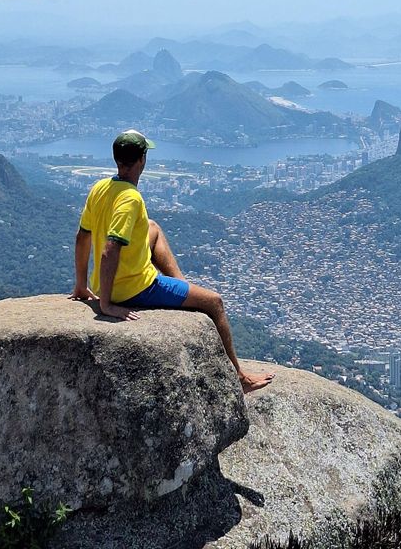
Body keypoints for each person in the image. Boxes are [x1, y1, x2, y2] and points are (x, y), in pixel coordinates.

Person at [69, 129, 274, 393]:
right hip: (136, 288)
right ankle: (240, 378)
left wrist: (81, 285)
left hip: (105, 283)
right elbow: (111, 250)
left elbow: (82, 237)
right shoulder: (131, 198)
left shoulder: (100, 188)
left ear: (116, 158)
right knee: (214, 302)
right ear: (142, 160)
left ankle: (181, 287)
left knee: (152, 227)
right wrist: (107, 305)